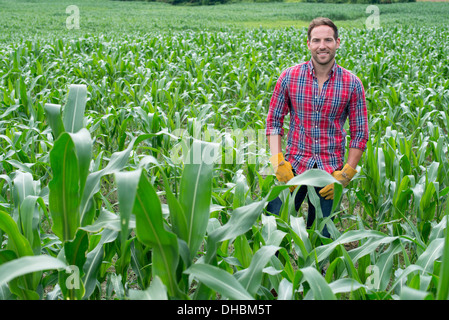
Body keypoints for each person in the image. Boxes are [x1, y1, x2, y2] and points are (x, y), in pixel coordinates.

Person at [265, 17, 369, 238]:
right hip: (291, 167)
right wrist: (277, 161)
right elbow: (274, 121)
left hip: (330, 172)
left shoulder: (352, 83)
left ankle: (318, 273)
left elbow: (359, 133)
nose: (323, 45)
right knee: (273, 231)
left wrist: (346, 174)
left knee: (322, 237)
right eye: (317, 40)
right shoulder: (289, 77)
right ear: (308, 44)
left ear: (337, 42)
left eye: (328, 40)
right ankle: (271, 271)